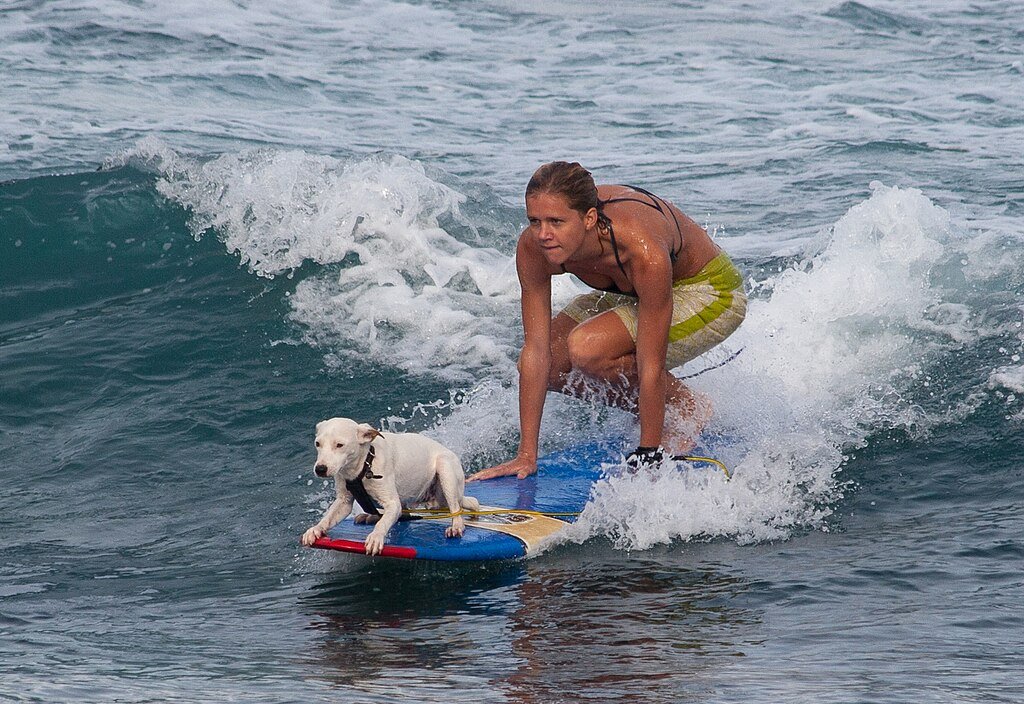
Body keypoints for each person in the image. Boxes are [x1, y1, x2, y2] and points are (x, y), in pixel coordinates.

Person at [469, 161, 746, 481]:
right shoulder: (534, 248)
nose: (543, 235)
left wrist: (649, 453)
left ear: (588, 218)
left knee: (587, 348)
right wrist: (526, 455)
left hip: (707, 292)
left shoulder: (640, 248)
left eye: (556, 222)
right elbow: (536, 352)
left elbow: (650, 363)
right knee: (552, 365)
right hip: (630, 290)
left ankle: (686, 407)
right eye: (535, 221)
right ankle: (666, 407)